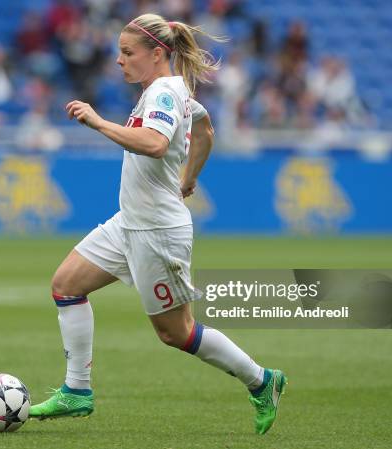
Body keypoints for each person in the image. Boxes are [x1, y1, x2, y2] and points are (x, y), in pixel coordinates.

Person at [29, 13, 287, 435]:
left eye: (127, 53)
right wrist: (189, 179)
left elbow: (155, 143)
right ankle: (77, 391)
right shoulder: (168, 91)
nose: (118, 61)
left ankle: (262, 380)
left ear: (156, 53)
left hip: (158, 232)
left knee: (176, 333)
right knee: (66, 285)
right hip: (130, 222)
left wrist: (98, 122)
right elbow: (205, 130)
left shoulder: (164, 93)